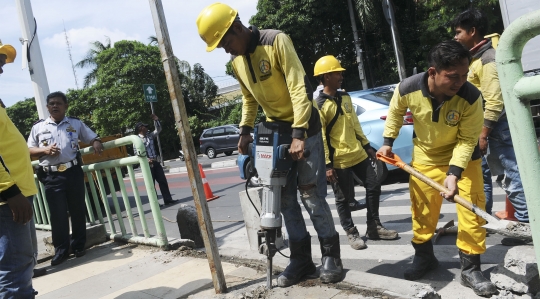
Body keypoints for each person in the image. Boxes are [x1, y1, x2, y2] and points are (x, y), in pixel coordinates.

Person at [197, 3, 343, 286]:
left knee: (311, 195)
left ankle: (331, 256)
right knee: (284, 198)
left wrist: (299, 133)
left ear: (237, 28)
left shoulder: (275, 40)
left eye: (227, 43)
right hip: (275, 133)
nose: (227, 50)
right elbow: (249, 99)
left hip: (305, 128)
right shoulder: (237, 62)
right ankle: (302, 260)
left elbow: (297, 85)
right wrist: (245, 131)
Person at [377, 40, 497, 297]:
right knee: (422, 212)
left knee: (472, 212)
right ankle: (424, 257)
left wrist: (454, 174)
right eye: (453, 76)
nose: (460, 82)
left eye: (464, 75)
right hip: (426, 158)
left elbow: (467, 140)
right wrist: (387, 142)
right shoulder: (407, 88)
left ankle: (470, 269)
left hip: (465, 161)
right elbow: (396, 113)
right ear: (433, 72)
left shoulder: (471, 96)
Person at [452, 9, 529, 224]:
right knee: (481, 175)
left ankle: (525, 223)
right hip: (482, 129)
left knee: (509, 174)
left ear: (472, 31)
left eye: (459, 32)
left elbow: (494, 101)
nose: (456, 37)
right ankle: (481, 220)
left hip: (493, 128)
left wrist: (484, 133)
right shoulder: (476, 58)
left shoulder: (488, 59)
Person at [313, 55, 398, 251]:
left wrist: (367, 146)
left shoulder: (345, 97)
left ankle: (374, 226)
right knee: (343, 199)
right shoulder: (319, 105)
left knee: (374, 184)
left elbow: (355, 124)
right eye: (337, 73)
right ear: (326, 77)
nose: (341, 75)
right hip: (339, 160)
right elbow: (322, 138)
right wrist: (327, 165)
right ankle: (351, 232)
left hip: (358, 153)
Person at [28, 91, 104, 266]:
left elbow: (90, 136)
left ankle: (78, 246)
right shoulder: (38, 127)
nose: (55, 106)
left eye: (58, 103)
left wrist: (96, 142)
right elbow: (29, 149)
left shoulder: (75, 123)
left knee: (77, 210)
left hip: (72, 172)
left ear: (65, 106)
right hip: (51, 176)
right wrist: (44, 151)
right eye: (52, 103)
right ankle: (61, 250)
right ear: (47, 107)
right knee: (58, 214)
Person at [0, 40, 39, 298]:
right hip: (8, 200)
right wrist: (11, 193)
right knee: (16, 269)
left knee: (21, 263)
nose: (1, 70)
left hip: (14, 195)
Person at [133, 114, 176, 205]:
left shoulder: (149, 136)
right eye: (145, 126)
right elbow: (136, 153)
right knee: (151, 185)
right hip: (147, 165)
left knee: (162, 181)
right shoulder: (136, 140)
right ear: (140, 128)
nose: (147, 128)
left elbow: (158, 130)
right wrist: (147, 159)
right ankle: (155, 203)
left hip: (156, 163)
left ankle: (167, 199)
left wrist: (157, 120)